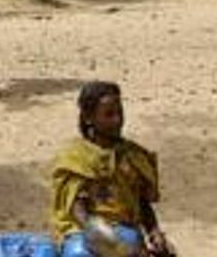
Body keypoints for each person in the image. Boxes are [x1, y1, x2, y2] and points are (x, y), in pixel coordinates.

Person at [50, 82, 174, 257]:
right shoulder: (76, 158)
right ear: (88, 118)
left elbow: (142, 203)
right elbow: (76, 209)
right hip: (82, 232)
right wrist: (100, 235)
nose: (117, 120)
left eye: (120, 112)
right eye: (109, 115)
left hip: (124, 229)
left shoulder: (132, 156)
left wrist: (154, 231)